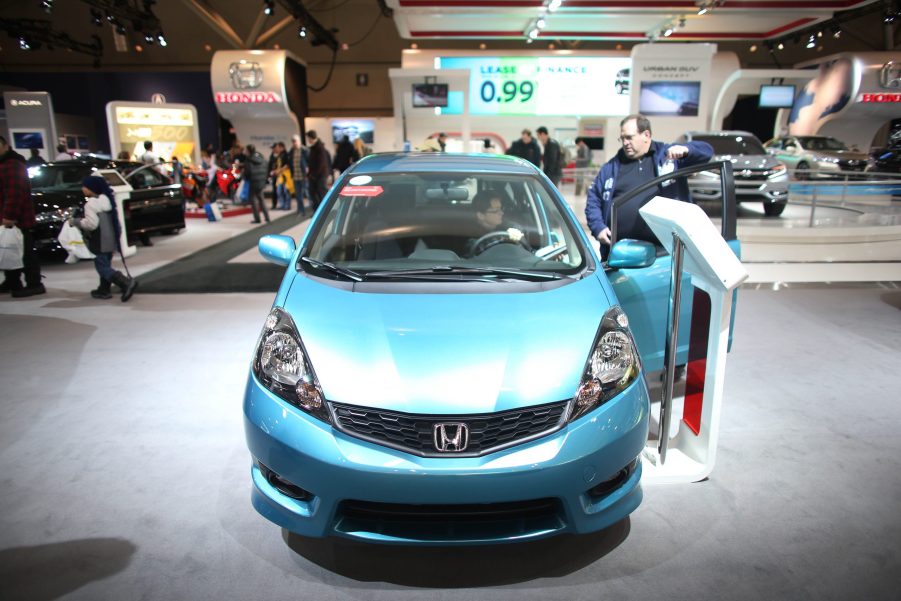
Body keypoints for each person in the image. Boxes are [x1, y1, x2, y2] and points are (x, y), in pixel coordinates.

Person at [585, 114, 713, 252]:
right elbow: (593, 198)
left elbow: (707, 151)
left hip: (666, 250)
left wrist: (687, 150)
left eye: (629, 137)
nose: (625, 143)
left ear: (646, 135)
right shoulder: (610, 167)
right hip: (619, 252)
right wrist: (598, 227)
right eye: (622, 138)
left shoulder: (667, 156)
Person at [69, 176, 137, 302]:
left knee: (102, 267)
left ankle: (125, 282)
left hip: (99, 240)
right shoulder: (108, 201)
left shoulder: (91, 204)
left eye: (85, 186)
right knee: (106, 263)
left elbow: (91, 224)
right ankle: (103, 289)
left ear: (91, 188)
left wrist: (76, 221)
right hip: (111, 239)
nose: (82, 189)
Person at [0, 135, 44, 297]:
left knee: (25, 252)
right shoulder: (5, 164)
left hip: (16, 219)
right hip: (8, 218)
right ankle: (12, 281)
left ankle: (34, 283)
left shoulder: (12, 165)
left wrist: (9, 216)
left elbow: (14, 193)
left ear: (6, 146)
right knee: (8, 250)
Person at [464, 190, 524, 257]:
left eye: (501, 209)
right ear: (480, 215)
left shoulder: (507, 227)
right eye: (496, 210)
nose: (501, 213)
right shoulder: (470, 236)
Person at [243, 144, 270, 224]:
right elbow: (266, 168)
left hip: (253, 182)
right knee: (261, 199)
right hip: (261, 182)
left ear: (248, 151)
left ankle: (257, 219)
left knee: (254, 200)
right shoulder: (261, 157)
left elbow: (247, 172)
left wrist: (244, 177)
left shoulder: (248, 160)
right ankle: (267, 217)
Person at [306, 131, 329, 213]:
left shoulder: (319, 148)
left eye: (308, 138)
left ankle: (323, 211)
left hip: (320, 176)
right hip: (315, 176)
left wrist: (313, 175)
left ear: (311, 138)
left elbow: (321, 164)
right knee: (314, 193)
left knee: (321, 194)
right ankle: (318, 211)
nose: (308, 140)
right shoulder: (313, 148)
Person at [287, 135, 308, 216]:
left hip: (303, 176)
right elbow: (289, 161)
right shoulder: (292, 151)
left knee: (307, 194)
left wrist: (307, 171)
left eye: (295, 141)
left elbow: (308, 161)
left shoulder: (304, 150)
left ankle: (314, 210)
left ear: (299, 141)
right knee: (298, 195)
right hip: (295, 176)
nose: (294, 143)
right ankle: (301, 210)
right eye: (293, 141)